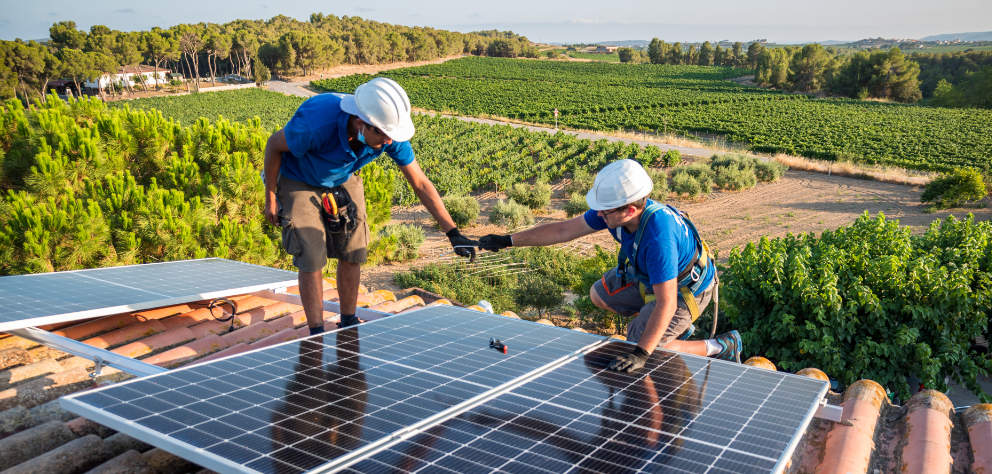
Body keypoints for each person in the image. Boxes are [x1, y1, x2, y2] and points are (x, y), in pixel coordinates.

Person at [478, 159, 742, 372]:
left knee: (644, 345)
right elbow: (563, 230)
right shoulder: (615, 211)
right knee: (598, 295)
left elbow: (667, 303)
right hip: (649, 277)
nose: (599, 216)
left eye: (605, 212)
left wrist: (641, 352)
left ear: (629, 210)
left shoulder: (659, 237)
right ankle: (658, 327)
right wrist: (508, 240)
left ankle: (719, 346)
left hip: (685, 291)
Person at [263, 77, 476, 335]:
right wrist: (271, 197)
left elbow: (419, 182)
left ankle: (348, 320)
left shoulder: (388, 133)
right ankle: (317, 332)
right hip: (298, 177)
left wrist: (452, 233)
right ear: (361, 122)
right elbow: (274, 146)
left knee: (354, 248)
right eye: (384, 136)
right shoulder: (317, 122)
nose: (389, 142)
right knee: (311, 254)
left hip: (341, 177)